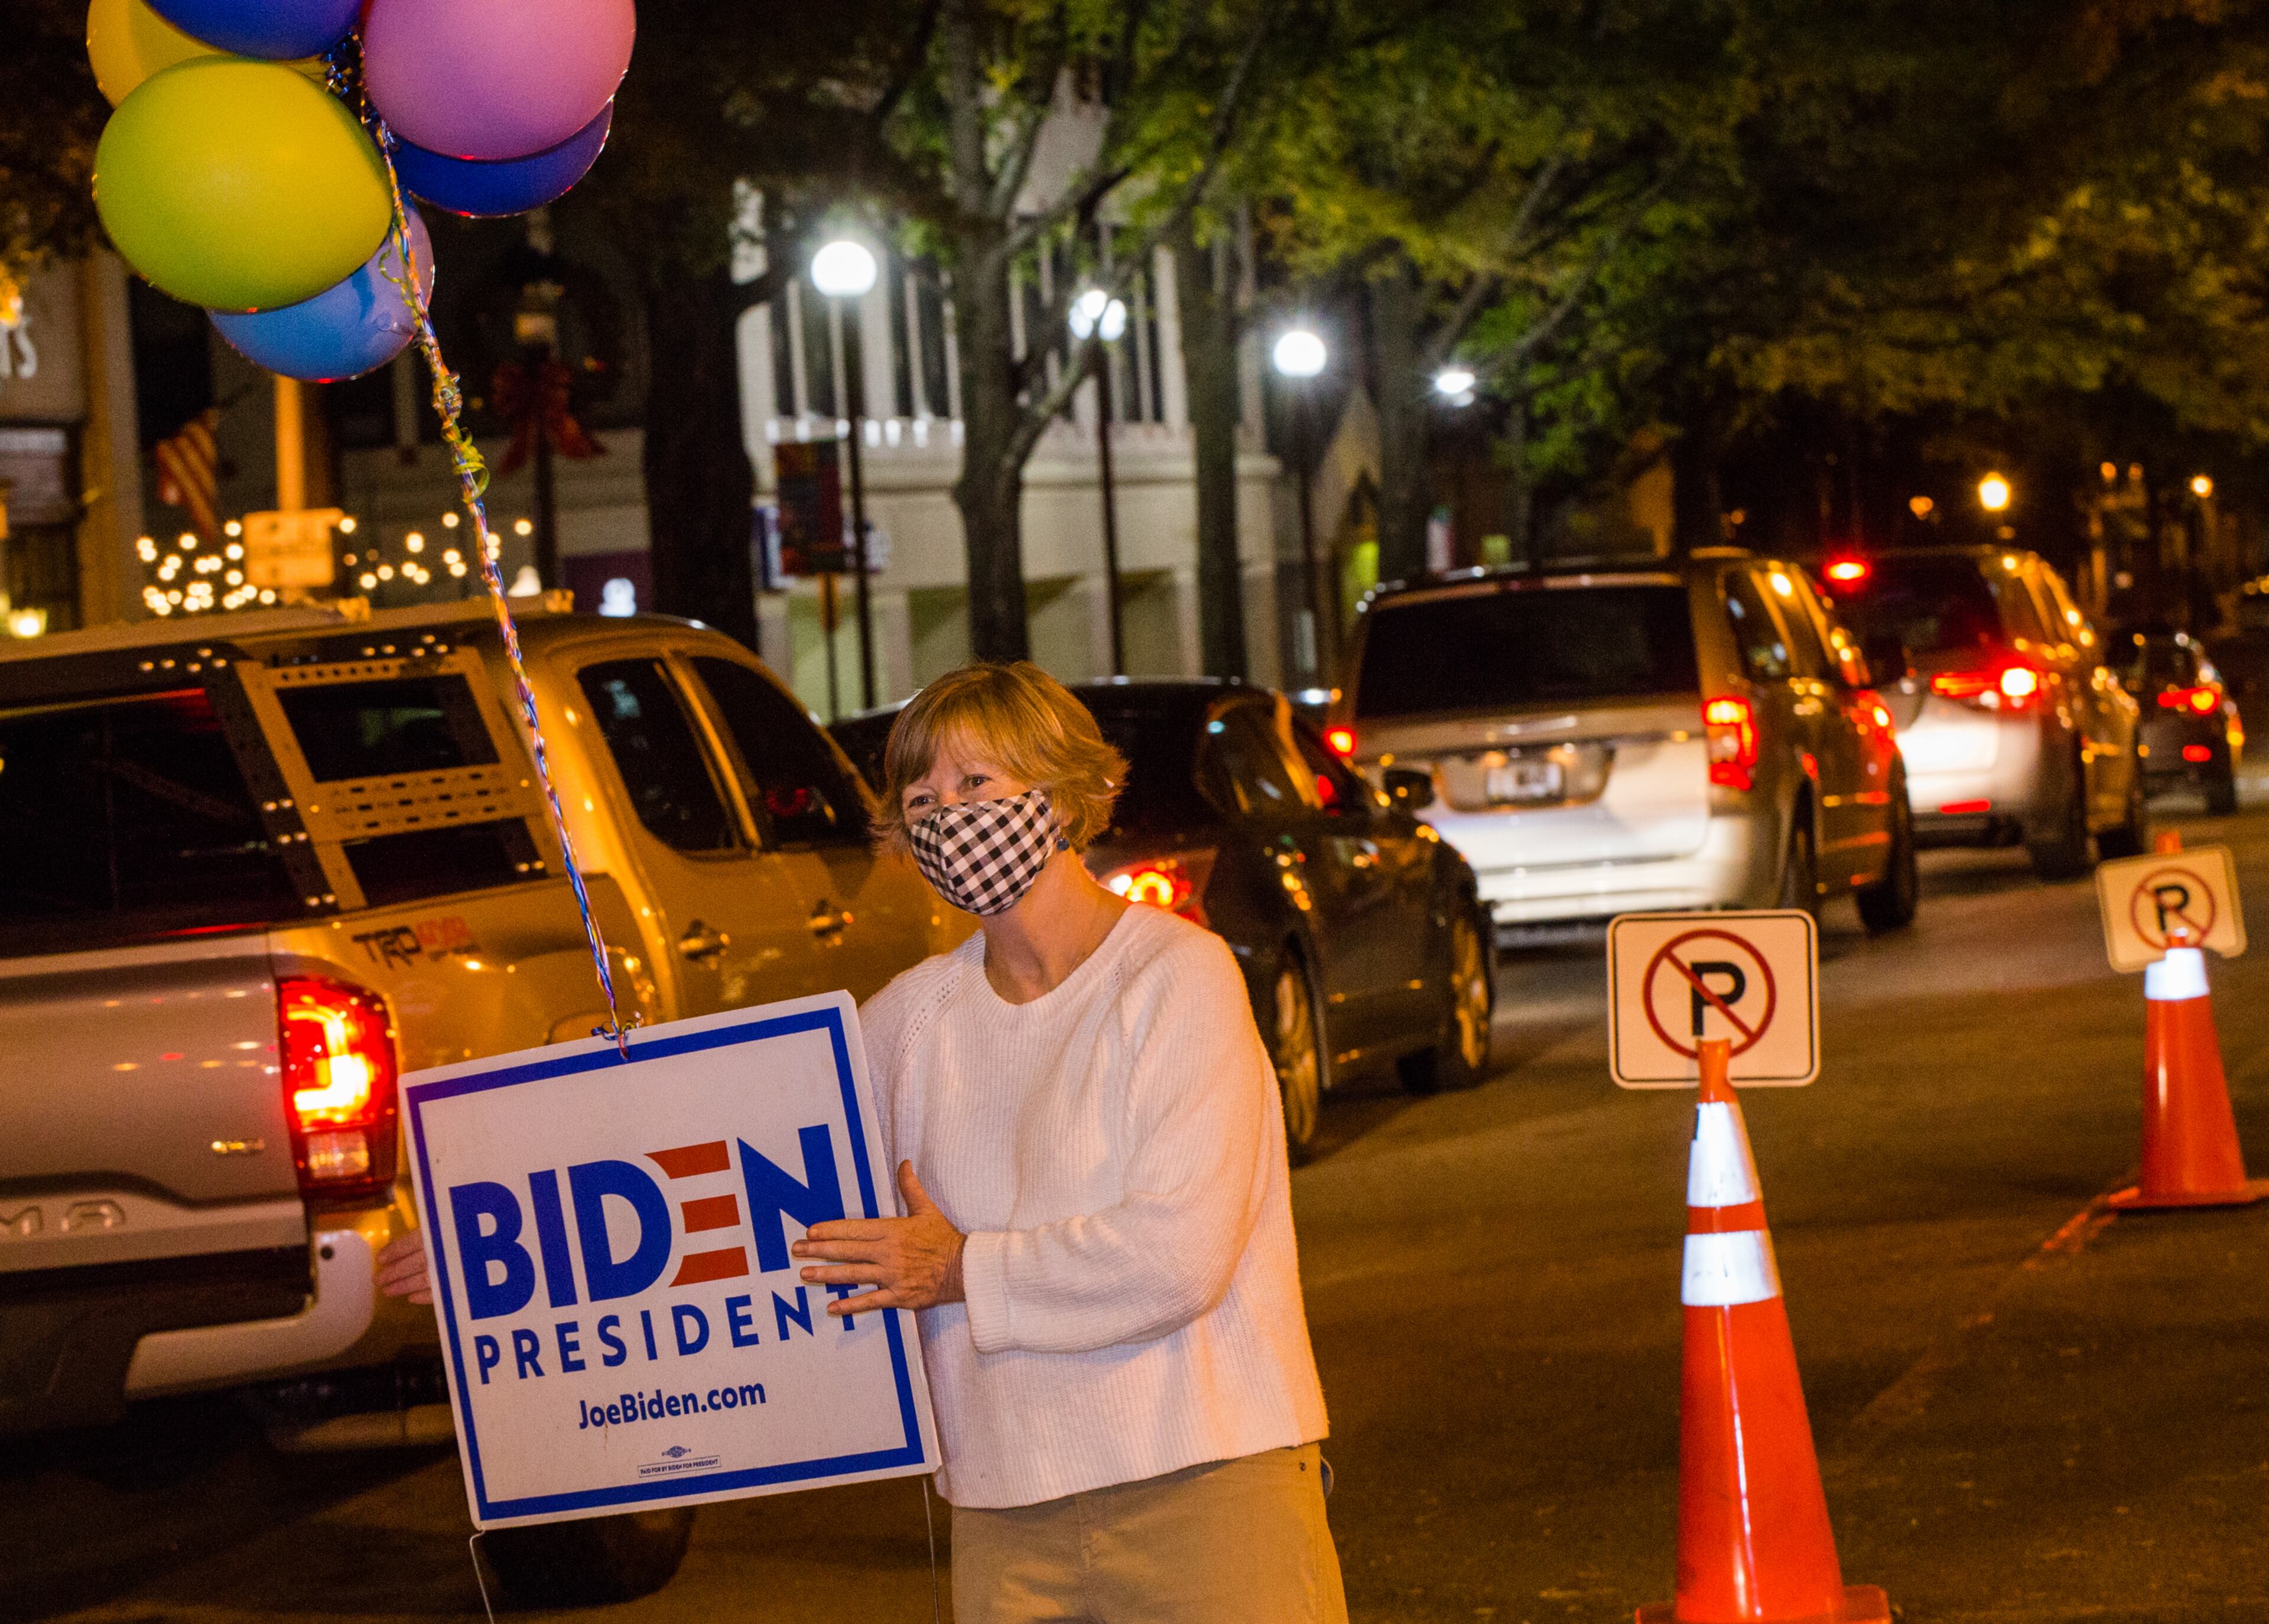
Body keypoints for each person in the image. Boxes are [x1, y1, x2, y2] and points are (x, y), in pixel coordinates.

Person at [379, 659, 1344, 1623]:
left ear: (1061, 794)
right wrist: (510, 1246)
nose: (948, 816)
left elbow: (1179, 1256)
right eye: (921, 798)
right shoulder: (914, 1021)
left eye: (977, 784)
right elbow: (715, 1160)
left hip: (1210, 1484)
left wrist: (962, 1267)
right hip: (1006, 1516)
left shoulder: (1177, 977)